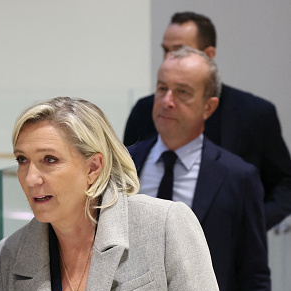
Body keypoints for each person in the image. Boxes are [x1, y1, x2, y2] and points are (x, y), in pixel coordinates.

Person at [0, 96, 241, 291]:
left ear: (94, 167)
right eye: (22, 160)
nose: (31, 178)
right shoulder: (11, 255)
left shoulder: (163, 227)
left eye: (49, 160)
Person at [128, 47, 271, 291]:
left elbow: (254, 278)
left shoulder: (237, 177)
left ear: (209, 106)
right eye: (162, 88)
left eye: (182, 92)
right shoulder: (126, 164)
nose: (167, 101)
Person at [123, 11, 291, 230]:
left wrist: (251, 223)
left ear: (209, 54)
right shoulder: (146, 109)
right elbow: (124, 171)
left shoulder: (255, 114)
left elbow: (284, 184)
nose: (169, 58)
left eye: (180, 50)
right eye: (166, 50)